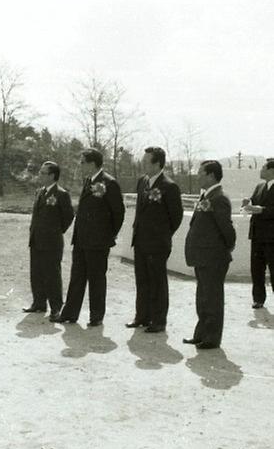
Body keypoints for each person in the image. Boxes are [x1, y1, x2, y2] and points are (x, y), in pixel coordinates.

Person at [52, 148, 125, 326]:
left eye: (83, 162)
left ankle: (96, 316)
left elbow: (118, 213)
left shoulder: (109, 183)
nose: (80, 165)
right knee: (77, 277)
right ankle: (70, 313)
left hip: (98, 242)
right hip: (82, 239)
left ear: (92, 164)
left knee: (97, 279)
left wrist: (108, 236)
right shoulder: (88, 181)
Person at [126, 147, 184, 333]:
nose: (143, 164)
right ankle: (142, 316)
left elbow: (176, 217)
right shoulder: (143, 182)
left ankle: (158, 320)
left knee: (157, 282)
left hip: (157, 243)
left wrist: (162, 235)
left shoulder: (169, 186)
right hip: (141, 240)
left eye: (146, 161)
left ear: (157, 163)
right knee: (142, 280)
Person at [183, 160, 236, 349]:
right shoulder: (207, 196)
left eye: (201, 172)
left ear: (211, 175)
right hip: (203, 257)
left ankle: (212, 338)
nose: (198, 175)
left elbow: (227, 231)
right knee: (203, 298)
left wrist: (223, 251)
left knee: (212, 298)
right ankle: (201, 334)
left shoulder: (219, 199)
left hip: (213, 258)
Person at [23, 161, 75, 318]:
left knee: (52, 274)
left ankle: (56, 308)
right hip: (36, 239)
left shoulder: (61, 194)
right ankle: (38, 303)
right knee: (36, 273)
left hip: (52, 242)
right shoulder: (40, 192)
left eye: (43, 173)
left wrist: (56, 231)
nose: (40, 175)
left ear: (52, 175)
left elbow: (68, 216)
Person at [242, 158, 274, 309]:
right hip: (257, 234)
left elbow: (265, 209)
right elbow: (254, 202)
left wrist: (262, 210)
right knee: (256, 268)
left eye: (264, 168)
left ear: (271, 170)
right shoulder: (259, 186)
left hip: (272, 236)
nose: (261, 170)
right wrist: (248, 202)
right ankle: (258, 299)